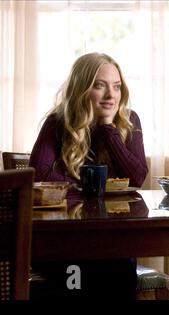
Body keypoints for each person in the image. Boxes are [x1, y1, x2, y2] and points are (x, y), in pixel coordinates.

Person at [29, 52, 149, 299]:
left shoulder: (129, 120)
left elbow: (137, 177)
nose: (111, 95)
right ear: (82, 89)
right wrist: (91, 185)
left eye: (116, 87)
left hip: (110, 237)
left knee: (119, 267)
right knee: (92, 274)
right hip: (62, 239)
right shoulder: (57, 123)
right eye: (99, 86)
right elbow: (39, 175)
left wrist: (108, 128)